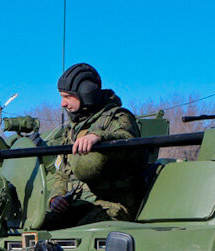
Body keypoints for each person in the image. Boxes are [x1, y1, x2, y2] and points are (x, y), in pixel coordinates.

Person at [43, 63, 145, 229]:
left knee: (81, 234)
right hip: (80, 202)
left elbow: (129, 142)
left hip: (115, 203)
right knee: (39, 231)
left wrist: (98, 137)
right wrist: (56, 198)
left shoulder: (117, 117)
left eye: (67, 97)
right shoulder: (73, 129)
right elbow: (62, 172)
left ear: (85, 94)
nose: (62, 103)